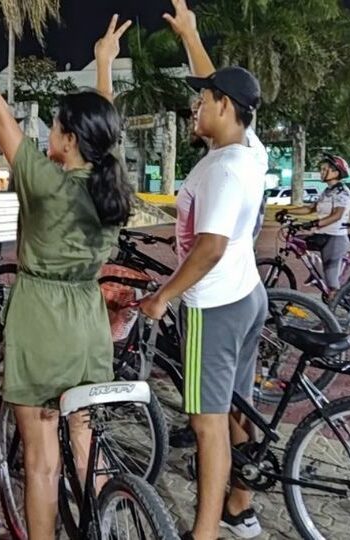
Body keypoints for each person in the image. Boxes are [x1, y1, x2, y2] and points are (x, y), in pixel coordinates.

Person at [0, 5, 133, 537]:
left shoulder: (45, 182)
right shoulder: (111, 186)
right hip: (88, 325)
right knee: (85, 446)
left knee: (41, 462)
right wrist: (102, 66)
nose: (48, 134)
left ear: (70, 140)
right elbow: (104, 133)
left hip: (41, 323)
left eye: (55, 127)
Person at [140, 2, 268, 539]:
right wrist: (192, 35)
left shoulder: (222, 169)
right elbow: (224, 84)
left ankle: (205, 533)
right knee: (238, 409)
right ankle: (240, 507)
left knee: (207, 422)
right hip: (247, 295)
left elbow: (209, 247)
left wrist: (164, 295)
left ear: (224, 107)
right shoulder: (251, 149)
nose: (196, 107)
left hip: (212, 306)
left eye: (202, 100)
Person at [276, 153, 350, 298]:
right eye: (321, 169)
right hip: (322, 234)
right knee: (297, 241)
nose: (321, 172)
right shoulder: (326, 191)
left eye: (325, 169)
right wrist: (287, 211)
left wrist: (314, 223)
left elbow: (337, 215)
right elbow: (310, 208)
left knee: (332, 286)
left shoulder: (342, 192)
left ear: (336, 172)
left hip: (335, 238)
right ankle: (316, 271)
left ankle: (330, 316)